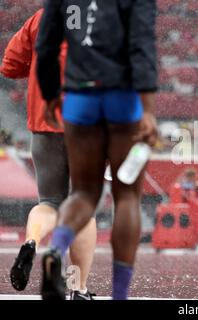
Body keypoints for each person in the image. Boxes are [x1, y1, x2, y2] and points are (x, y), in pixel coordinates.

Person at [35, 0, 159, 300]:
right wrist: (147, 108)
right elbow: (141, 42)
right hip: (123, 96)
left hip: (80, 97)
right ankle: (119, 295)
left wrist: (50, 94)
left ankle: (55, 249)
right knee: (127, 195)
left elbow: (46, 43)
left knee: (83, 194)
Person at [0, 9, 97, 300]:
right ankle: (77, 287)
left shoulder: (41, 17)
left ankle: (31, 242)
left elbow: (10, 66)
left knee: (49, 202)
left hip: (44, 125)